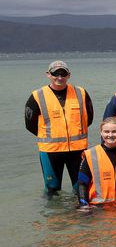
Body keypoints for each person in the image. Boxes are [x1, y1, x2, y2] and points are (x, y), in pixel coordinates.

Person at [25, 60, 93, 194]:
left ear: (69, 75)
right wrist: (51, 136)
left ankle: (79, 214)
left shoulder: (81, 93)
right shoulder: (37, 96)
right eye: (56, 74)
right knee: (52, 189)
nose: (60, 77)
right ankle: (55, 214)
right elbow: (30, 125)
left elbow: (88, 118)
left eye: (63, 73)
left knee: (81, 188)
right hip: (50, 152)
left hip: (77, 151)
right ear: (48, 74)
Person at [77, 118, 116, 207]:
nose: (110, 135)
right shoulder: (90, 154)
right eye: (106, 132)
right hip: (98, 207)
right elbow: (82, 184)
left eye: (114, 131)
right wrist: (84, 206)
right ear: (101, 133)